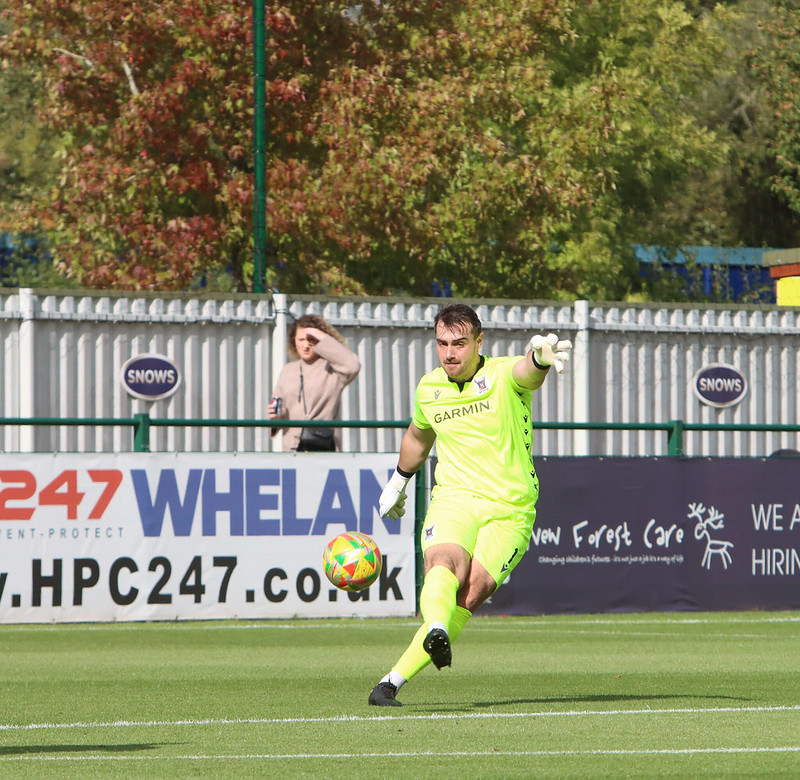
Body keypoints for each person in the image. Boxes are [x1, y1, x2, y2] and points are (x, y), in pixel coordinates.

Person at [369, 302, 571, 706]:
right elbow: (418, 436)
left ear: (480, 342)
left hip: (510, 507)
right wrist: (398, 479)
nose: (450, 353)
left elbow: (526, 373)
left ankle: (391, 680)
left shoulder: (501, 375)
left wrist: (540, 360)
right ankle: (429, 637)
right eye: (442, 343)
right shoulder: (429, 388)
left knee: (471, 591)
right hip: (454, 497)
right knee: (442, 564)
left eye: (460, 343)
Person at [268, 314, 360, 452]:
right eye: (301, 339)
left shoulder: (333, 369)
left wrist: (320, 335)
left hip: (324, 447)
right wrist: (276, 417)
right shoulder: (288, 370)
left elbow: (353, 365)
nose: (305, 345)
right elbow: (277, 410)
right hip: (291, 450)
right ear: (293, 341)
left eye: (311, 340)